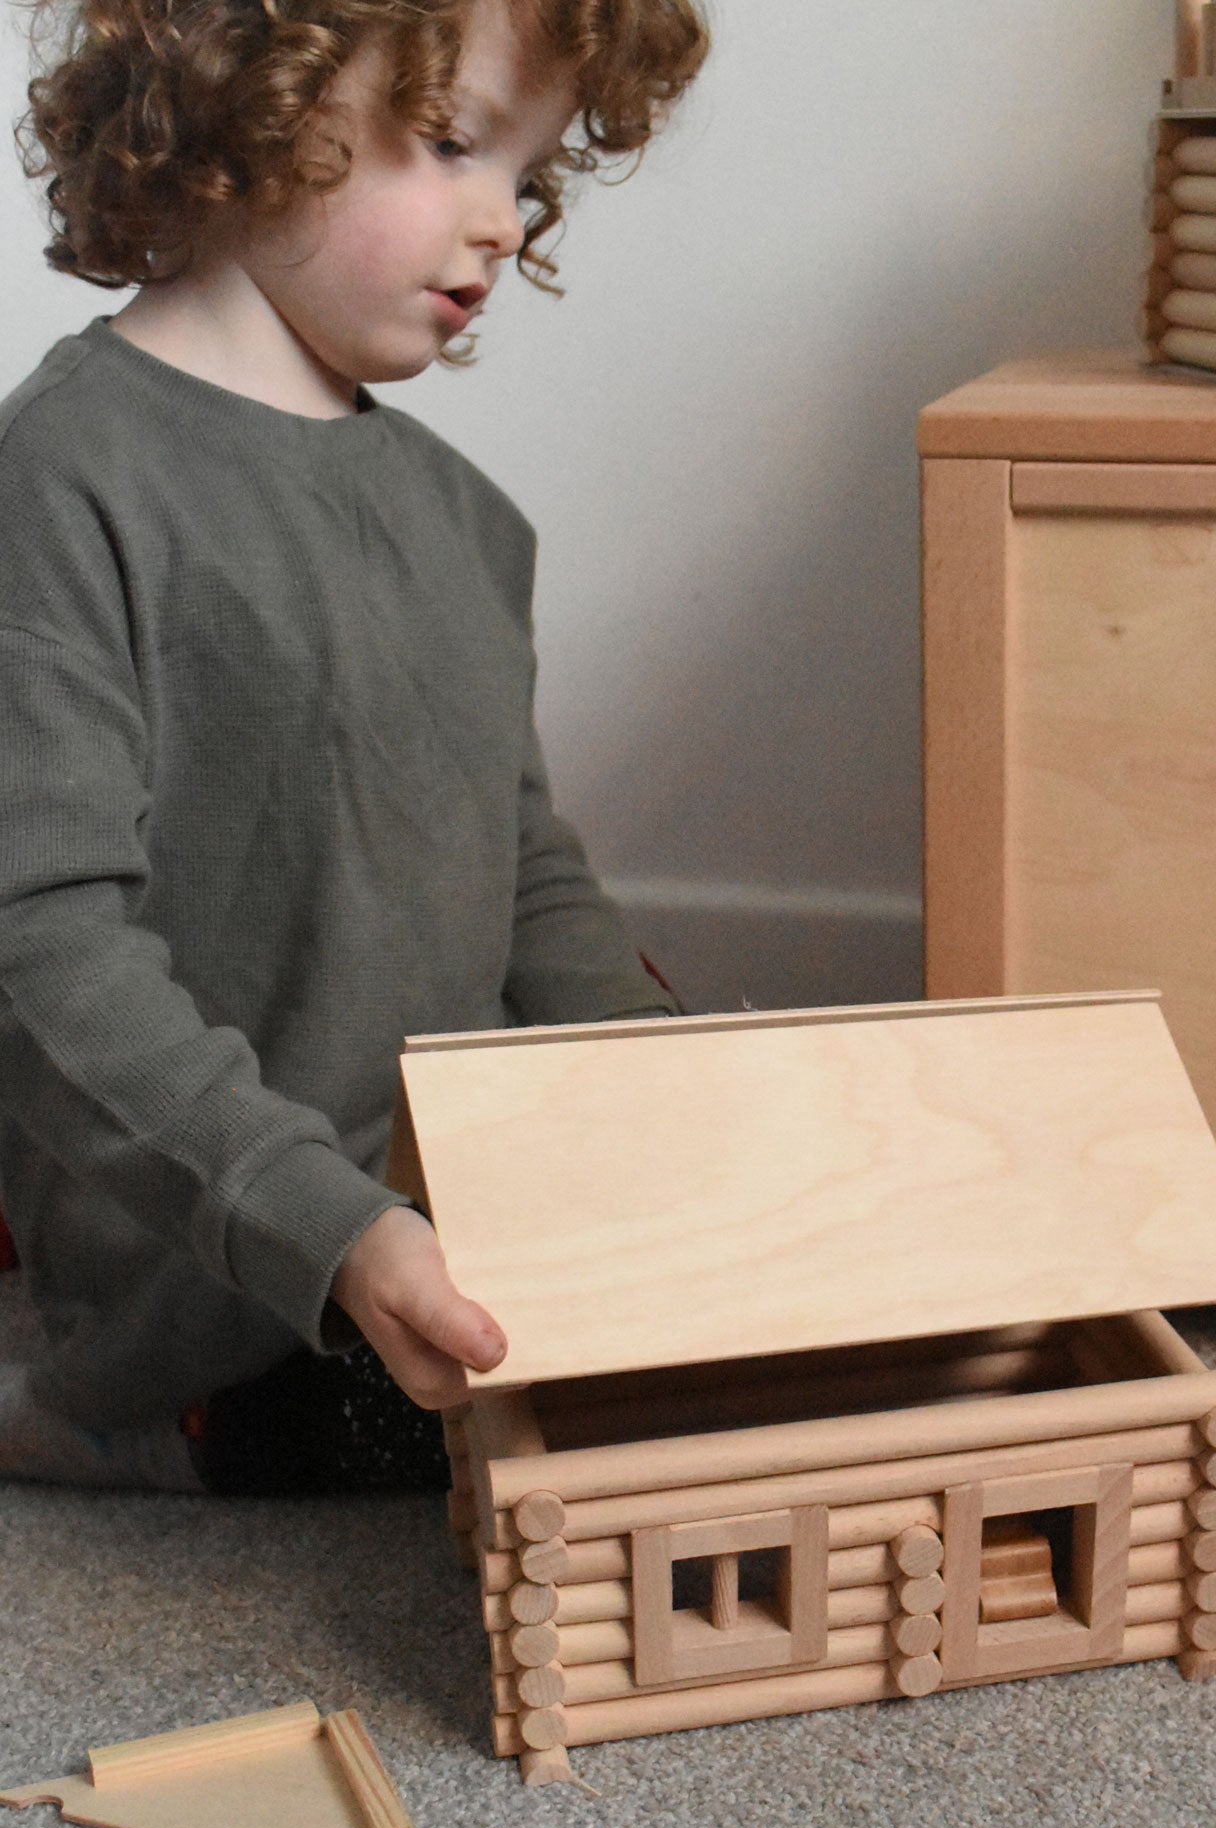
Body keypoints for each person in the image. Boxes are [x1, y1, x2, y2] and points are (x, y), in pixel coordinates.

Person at [0, 0, 707, 1490]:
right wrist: (329, 1223)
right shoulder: (65, 478)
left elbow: (525, 872)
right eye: (452, 142)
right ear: (248, 94)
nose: (504, 222)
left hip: (443, 1191)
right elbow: (40, 949)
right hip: (223, 1259)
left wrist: (668, 1088)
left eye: (526, 174)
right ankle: (102, 1415)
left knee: (762, 1333)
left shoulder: (466, 520)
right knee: (480, 1440)